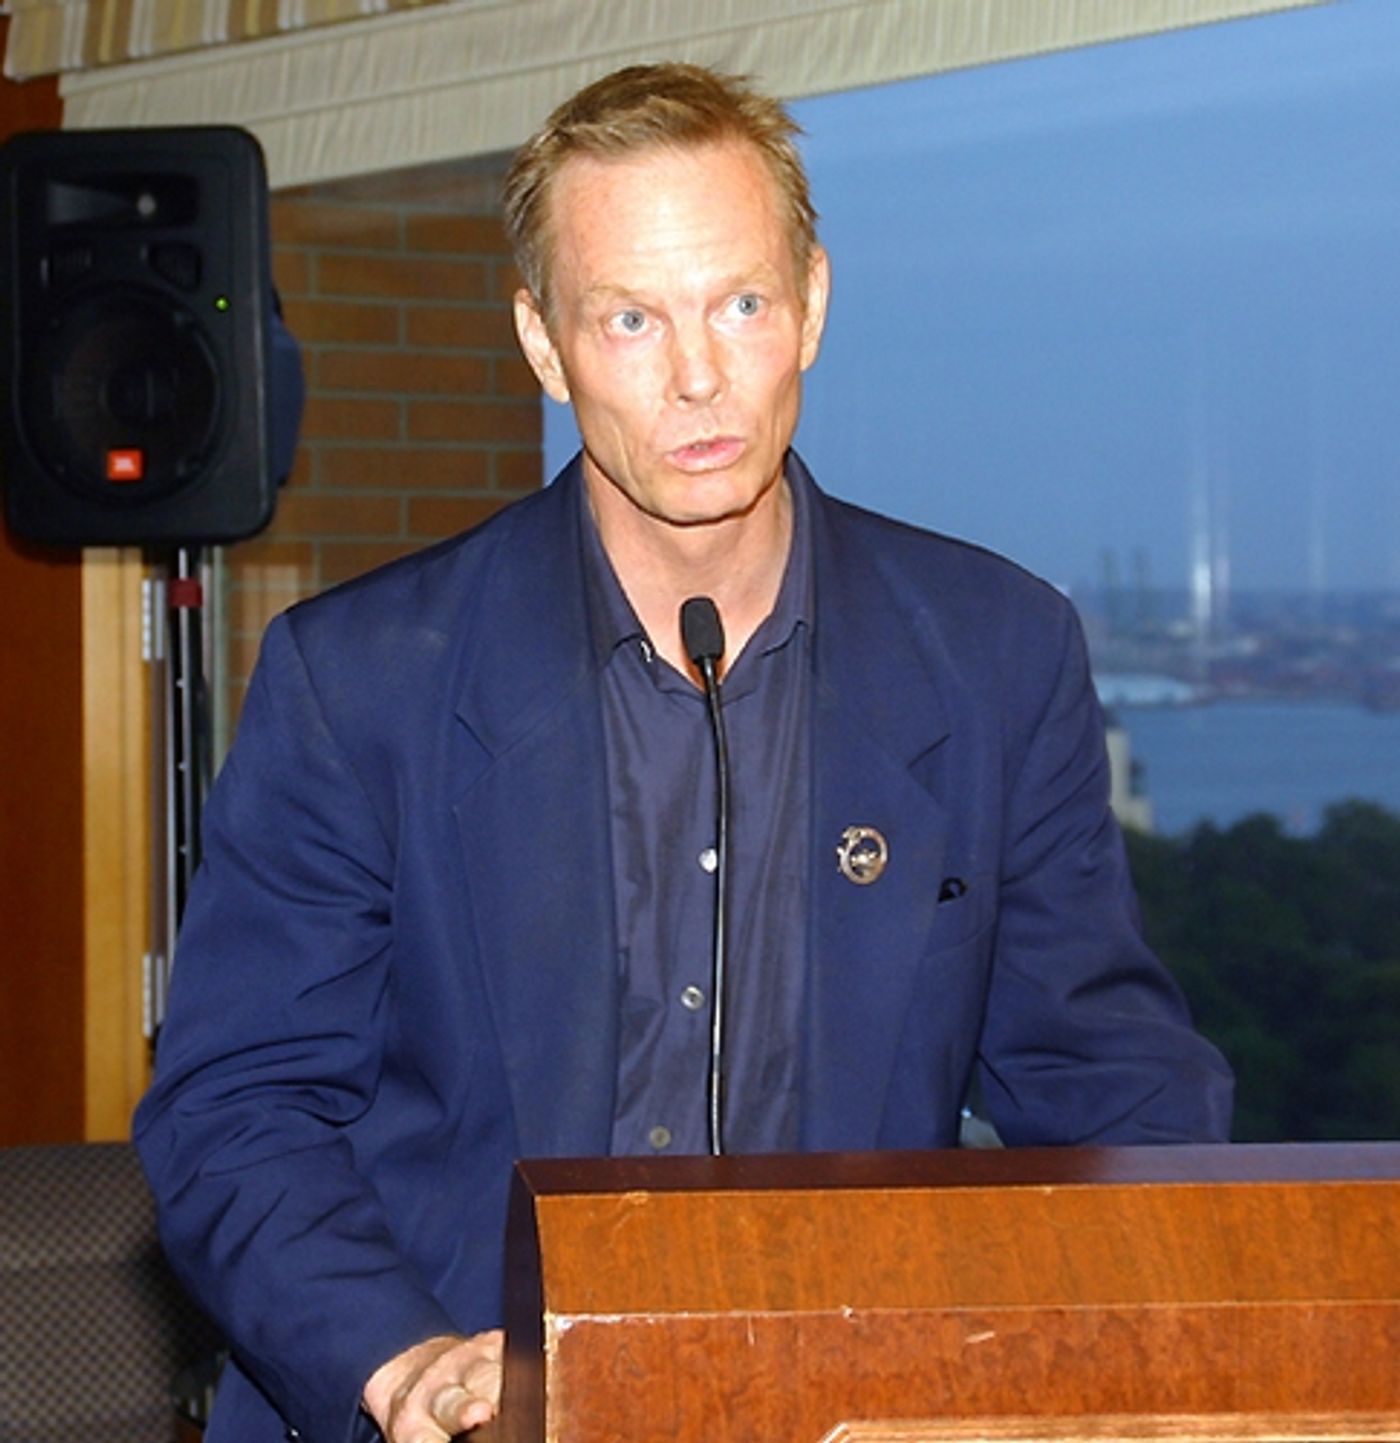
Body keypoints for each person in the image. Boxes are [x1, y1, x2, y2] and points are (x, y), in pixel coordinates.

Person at [135, 62, 1233, 1443]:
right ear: (544, 345)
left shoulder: (996, 655)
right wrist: (400, 1361)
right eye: (632, 318)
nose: (699, 377)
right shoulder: (357, 679)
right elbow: (237, 1110)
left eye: (741, 304)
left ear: (813, 304)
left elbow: (1111, 1084)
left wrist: (1143, 1335)